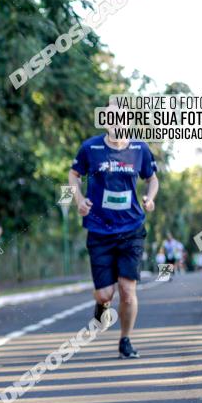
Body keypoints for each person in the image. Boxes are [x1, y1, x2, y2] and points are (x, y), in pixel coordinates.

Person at [67, 107, 159, 359]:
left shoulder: (140, 149)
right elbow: (74, 175)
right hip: (99, 230)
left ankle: (125, 340)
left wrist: (149, 199)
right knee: (105, 293)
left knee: (128, 292)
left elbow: (152, 178)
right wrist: (79, 200)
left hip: (131, 228)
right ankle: (101, 304)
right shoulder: (91, 148)